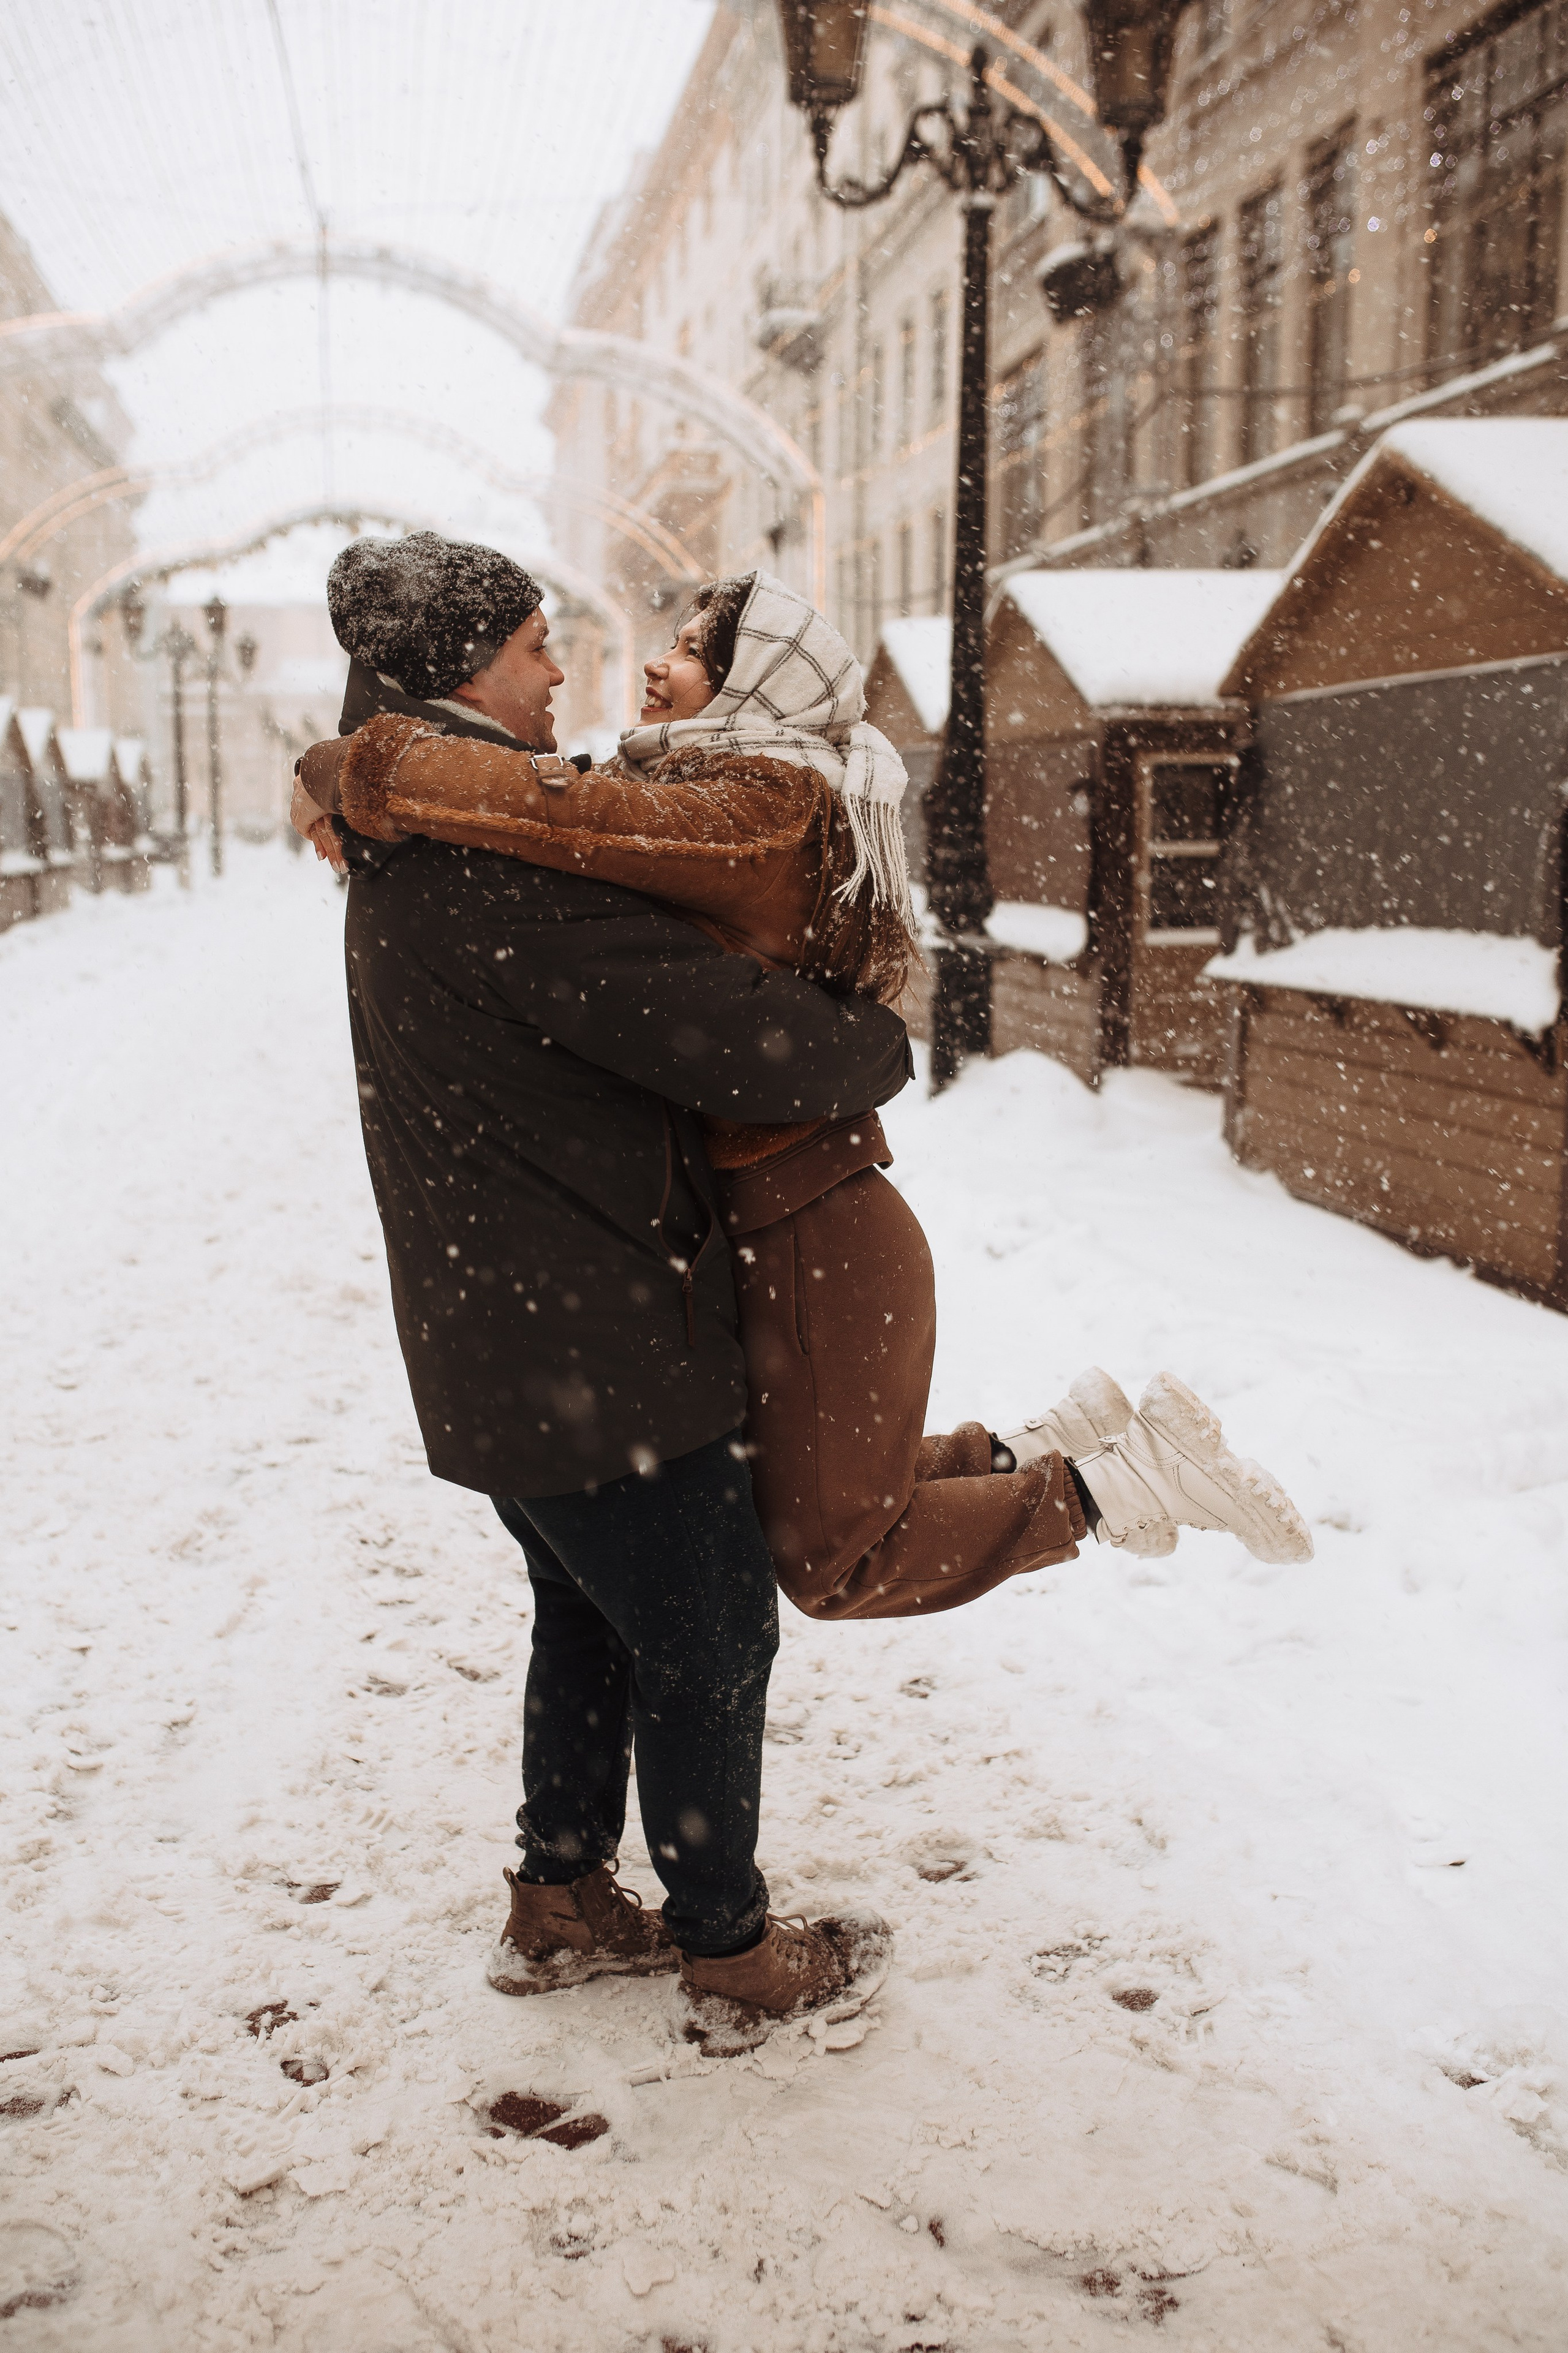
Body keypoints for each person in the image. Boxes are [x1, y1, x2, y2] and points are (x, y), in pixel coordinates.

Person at [295, 559, 1313, 1637]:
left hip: (809, 1221)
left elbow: (562, 814)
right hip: (786, 1216)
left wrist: (364, 766)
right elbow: (579, 812)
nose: (650, 660)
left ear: (753, 690)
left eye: (689, 652)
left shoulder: (761, 801)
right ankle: (1041, 1446)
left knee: (834, 1562)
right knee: (803, 1491)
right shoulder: (709, 789)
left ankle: (1122, 1487)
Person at [307, 534, 912, 2051]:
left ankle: (563, 1900)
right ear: (458, 670)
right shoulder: (487, 872)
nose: (561, 670)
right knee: (711, 1636)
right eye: (529, 647)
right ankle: (728, 1951)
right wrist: (872, 1037)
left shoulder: (425, 845)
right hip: (597, 1328)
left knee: (587, 1615)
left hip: (511, 1326)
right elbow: (740, 1037)